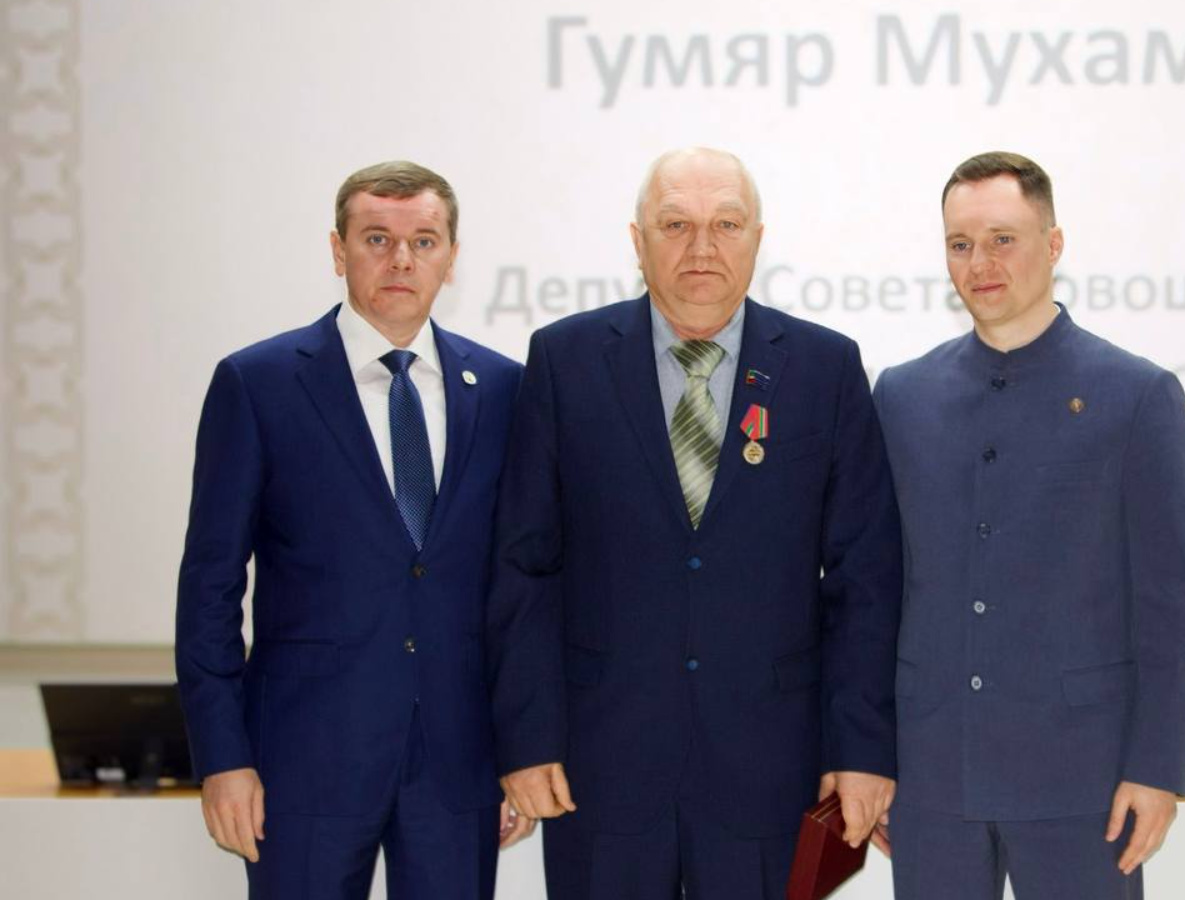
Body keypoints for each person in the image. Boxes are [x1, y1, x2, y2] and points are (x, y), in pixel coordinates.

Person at [487, 147, 902, 900]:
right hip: (601, 766)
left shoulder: (826, 368)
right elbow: (524, 567)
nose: (702, 247)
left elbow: (864, 580)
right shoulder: (563, 361)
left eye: (727, 225)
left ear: (758, 238)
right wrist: (526, 737)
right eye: (676, 224)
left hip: (771, 767)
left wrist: (863, 748)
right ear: (637, 240)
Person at [175, 161, 527, 899]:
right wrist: (222, 757)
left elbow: (519, 588)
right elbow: (209, 587)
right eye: (376, 239)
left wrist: (521, 747)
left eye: (423, 241)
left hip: (459, 760)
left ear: (451, 258)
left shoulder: (502, 388)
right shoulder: (259, 383)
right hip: (302, 760)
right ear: (339, 251)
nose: (401, 260)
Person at [873, 151, 1185, 899]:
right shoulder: (901, 396)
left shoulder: (1137, 396)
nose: (980, 263)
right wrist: (871, 756)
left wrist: (1157, 767)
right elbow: (876, 588)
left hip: (1083, 779)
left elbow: (1176, 600)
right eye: (960, 244)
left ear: (1053, 244)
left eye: (1003, 239)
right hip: (932, 776)